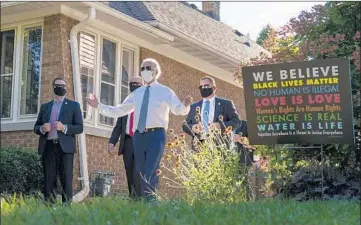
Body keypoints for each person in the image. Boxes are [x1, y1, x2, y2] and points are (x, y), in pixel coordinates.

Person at [87, 58, 193, 201]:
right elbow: (119, 110)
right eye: (142, 68)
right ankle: (141, 204)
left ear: (156, 72)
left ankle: (151, 203)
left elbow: (177, 109)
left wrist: (185, 106)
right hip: (139, 136)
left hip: (156, 135)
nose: (145, 71)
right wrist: (98, 106)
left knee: (151, 170)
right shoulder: (136, 94)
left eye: (148, 68)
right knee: (140, 172)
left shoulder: (165, 91)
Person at [34, 77, 83, 205]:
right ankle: (49, 207)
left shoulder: (74, 105)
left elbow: (79, 127)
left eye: (63, 85)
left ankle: (67, 208)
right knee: (49, 178)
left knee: (66, 178)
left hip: (65, 148)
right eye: (57, 85)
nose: (60, 87)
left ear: (66, 88)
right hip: (48, 146)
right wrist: (42, 128)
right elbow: (36, 127)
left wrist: (64, 127)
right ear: (53, 87)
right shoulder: (45, 107)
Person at [108, 76, 144, 199]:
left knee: (137, 173)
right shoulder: (126, 103)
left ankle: (140, 199)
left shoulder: (147, 103)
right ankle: (133, 198)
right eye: (132, 83)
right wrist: (112, 142)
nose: (134, 85)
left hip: (141, 141)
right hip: (128, 142)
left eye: (137, 83)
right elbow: (118, 126)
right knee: (129, 171)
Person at [182, 76, 241, 147]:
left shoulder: (226, 104)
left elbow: (237, 122)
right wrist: (193, 127)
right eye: (201, 87)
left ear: (214, 88)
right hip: (199, 146)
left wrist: (220, 126)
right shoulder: (194, 106)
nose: (203, 88)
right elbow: (185, 125)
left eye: (206, 86)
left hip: (220, 146)